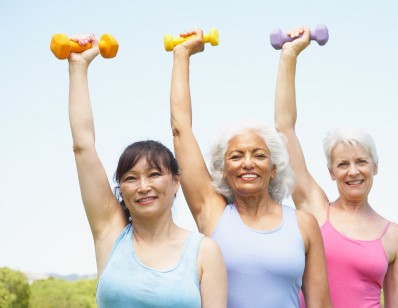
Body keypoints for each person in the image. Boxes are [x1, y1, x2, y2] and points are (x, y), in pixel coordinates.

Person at [169, 28, 332, 308]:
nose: (247, 163)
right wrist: (182, 54)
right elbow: (180, 129)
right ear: (222, 169)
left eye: (258, 155)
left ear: (273, 168)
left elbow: (321, 305)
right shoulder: (213, 213)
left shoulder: (304, 224)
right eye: (236, 156)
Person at [66, 34, 227, 307]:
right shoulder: (111, 232)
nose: (143, 186)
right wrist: (78, 67)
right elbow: (83, 146)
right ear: (122, 190)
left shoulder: (203, 252)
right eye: (131, 178)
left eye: (154, 174)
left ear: (176, 182)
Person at [274, 26, 398, 307]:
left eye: (361, 161)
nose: (353, 171)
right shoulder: (315, 209)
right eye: (343, 164)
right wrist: (289, 56)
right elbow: (284, 128)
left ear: (375, 167)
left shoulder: (394, 235)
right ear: (331, 172)